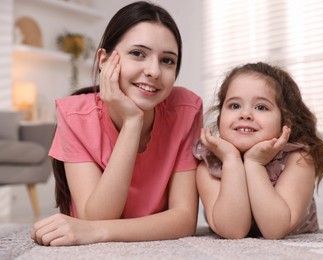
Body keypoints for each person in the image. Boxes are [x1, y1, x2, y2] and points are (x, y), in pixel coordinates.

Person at [31, 1, 203, 246]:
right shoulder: (75, 116)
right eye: (138, 53)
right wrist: (133, 122)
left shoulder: (186, 109)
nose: (154, 70)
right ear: (104, 59)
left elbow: (184, 220)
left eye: (167, 60)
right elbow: (98, 216)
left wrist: (99, 231)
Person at [193, 61, 323, 240]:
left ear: (285, 124)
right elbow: (233, 231)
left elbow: (274, 229)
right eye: (234, 105)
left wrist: (254, 163)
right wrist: (231, 160)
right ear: (220, 118)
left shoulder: (298, 159)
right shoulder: (209, 165)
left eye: (261, 107)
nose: (245, 114)